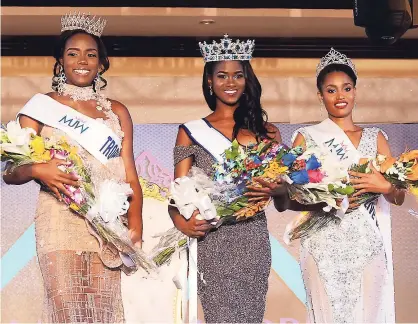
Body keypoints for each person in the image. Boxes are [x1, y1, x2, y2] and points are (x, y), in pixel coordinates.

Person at [3, 13, 142, 323]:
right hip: (59, 219)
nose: (83, 60)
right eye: (73, 53)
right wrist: (39, 170)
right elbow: (10, 172)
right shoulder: (40, 107)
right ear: (60, 60)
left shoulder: (117, 110)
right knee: (67, 311)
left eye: (91, 54)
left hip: (108, 221)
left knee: (103, 313)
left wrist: (136, 226)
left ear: (102, 63)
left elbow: (130, 174)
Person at [168, 34, 316, 323]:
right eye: (222, 75)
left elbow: (284, 203)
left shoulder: (268, 132)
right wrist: (182, 223)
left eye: (238, 75)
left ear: (247, 80)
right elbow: (177, 195)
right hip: (212, 239)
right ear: (209, 81)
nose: (230, 82)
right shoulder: (191, 131)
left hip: (252, 240)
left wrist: (278, 190)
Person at [290, 48, 404, 323]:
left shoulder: (376, 138)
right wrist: (326, 198)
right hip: (322, 243)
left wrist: (385, 187)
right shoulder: (306, 137)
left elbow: (398, 197)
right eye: (331, 90)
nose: (340, 96)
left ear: (355, 91)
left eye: (346, 88)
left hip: (367, 242)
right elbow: (292, 196)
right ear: (320, 95)